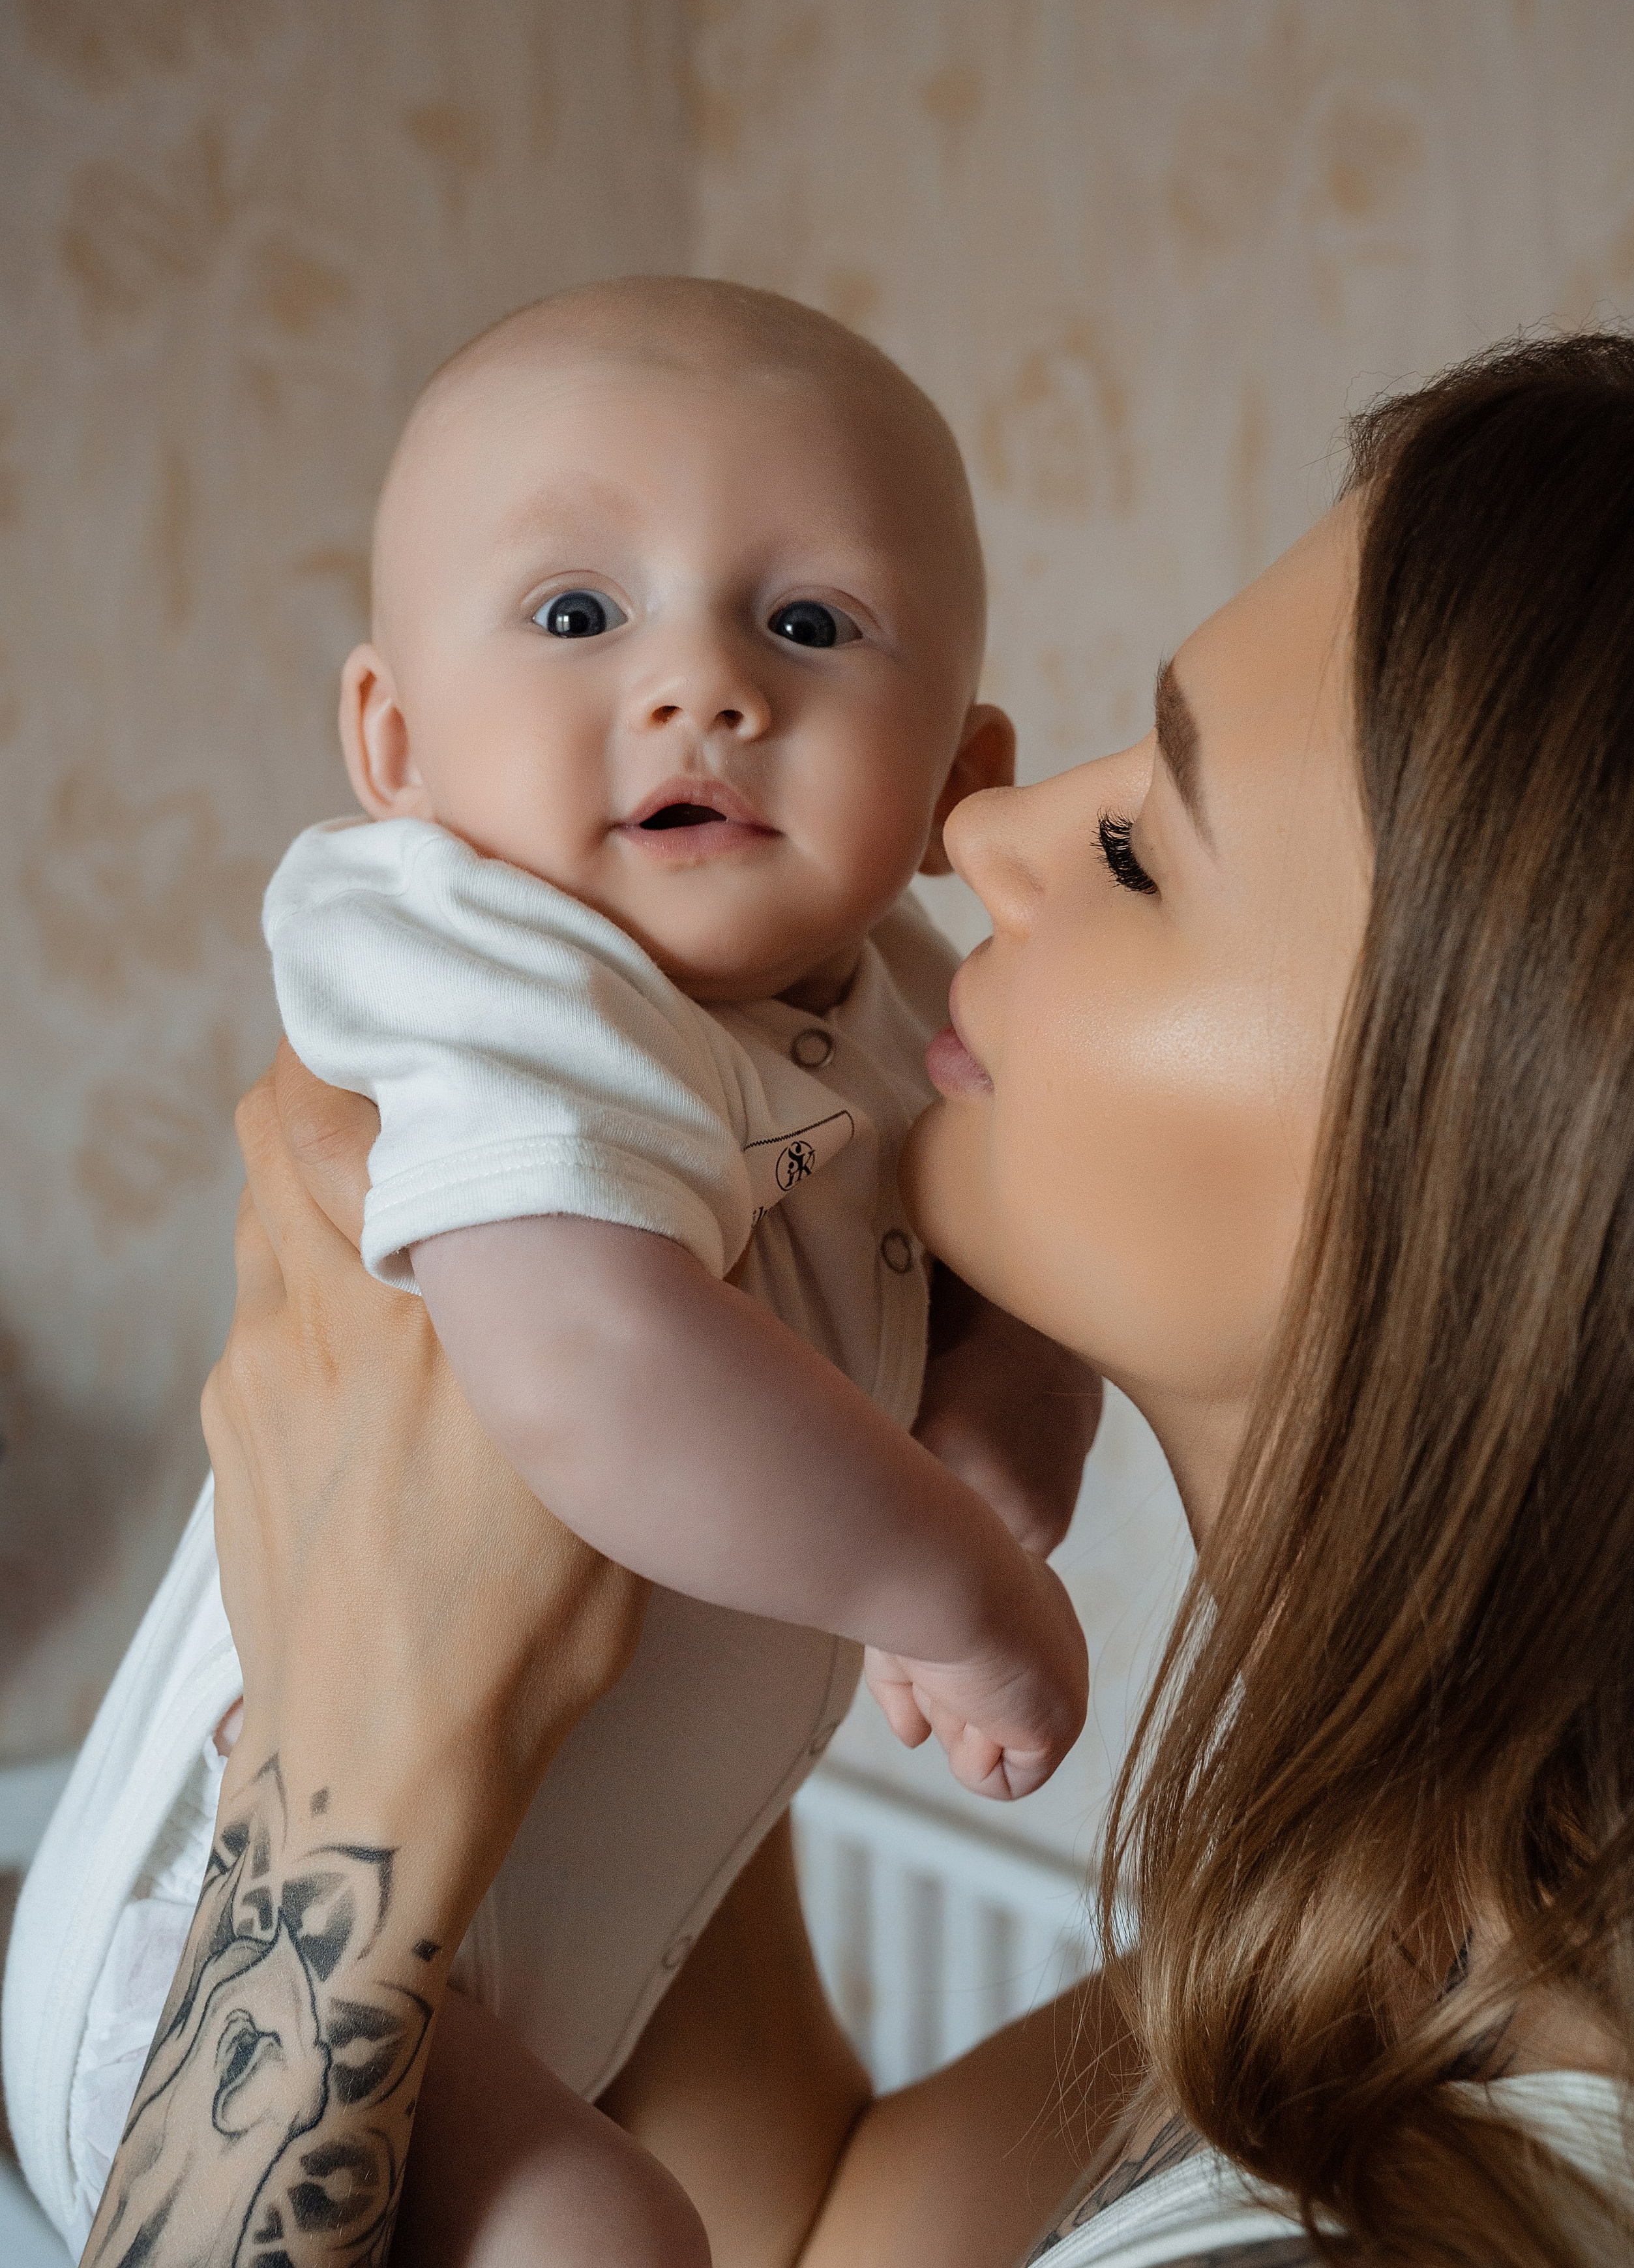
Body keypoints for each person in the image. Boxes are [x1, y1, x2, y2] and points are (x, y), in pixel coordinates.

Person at [16, 329, 1634, 2267]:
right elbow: (814, 2230)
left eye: (1142, 848)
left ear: (1481, 1156)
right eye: (576, 613)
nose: (989, 830)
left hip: (265, 1950)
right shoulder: (1410, 1940)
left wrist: (360, 1778)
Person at [5, 277, 1101, 2265]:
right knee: (607, 2241)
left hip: (522, 1940)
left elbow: (1008, 1227)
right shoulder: (480, 961)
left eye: (811, 623)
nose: (704, 688)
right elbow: (590, 1367)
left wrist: (1017, 1400)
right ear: (396, 744)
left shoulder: (900, 1000)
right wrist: (959, 1582)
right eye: (582, 615)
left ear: (961, 774)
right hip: (230, 1977)